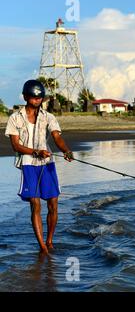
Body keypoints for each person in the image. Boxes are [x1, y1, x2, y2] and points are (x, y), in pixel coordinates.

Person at [5, 80, 74, 255]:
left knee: (53, 202)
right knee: (35, 203)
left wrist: (66, 150)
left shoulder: (49, 117)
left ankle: (50, 240)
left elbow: (57, 137)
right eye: (34, 97)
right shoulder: (15, 118)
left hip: (47, 163)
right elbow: (16, 146)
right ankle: (42, 246)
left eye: (40, 98)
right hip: (28, 163)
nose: (37, 100)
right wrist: (36, 151)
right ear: (26, 97)